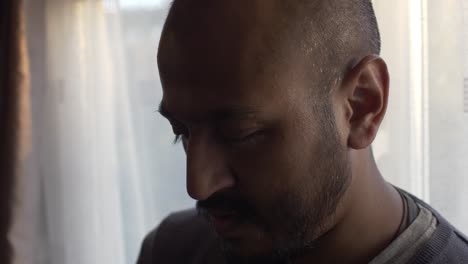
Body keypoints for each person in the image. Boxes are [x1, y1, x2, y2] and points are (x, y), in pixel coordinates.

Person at [137, 0, 468, 263]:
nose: (198, 186)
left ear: (362, 105)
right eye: (182, 132)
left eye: (239, 133)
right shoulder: (171, 250)